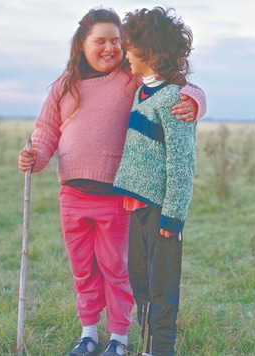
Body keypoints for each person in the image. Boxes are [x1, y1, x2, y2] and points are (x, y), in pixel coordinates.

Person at [17, 7, 206, 356]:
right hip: (72, 194)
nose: (110, 48)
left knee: (117, 269)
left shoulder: (130, 77)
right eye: (100, 41)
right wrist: (36, 157)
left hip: (118, 196)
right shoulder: (65, 84)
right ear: (81, 44)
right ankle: (88, 333)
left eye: (117, 42)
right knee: (83, 268)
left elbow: (176, 85)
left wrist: (195, 100)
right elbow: (46, 131)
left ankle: (119, 337)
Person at [112, 7, 198, 356]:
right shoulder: (142, 91)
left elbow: (182, 161)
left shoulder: (175, 100)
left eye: (130, 47)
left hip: (162, 209)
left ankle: (160, 349)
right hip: (138, 205)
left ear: (150, 53)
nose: (125, 54)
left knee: (162, 288)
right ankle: (147, 346)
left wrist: (174, 216)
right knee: (140, 281)